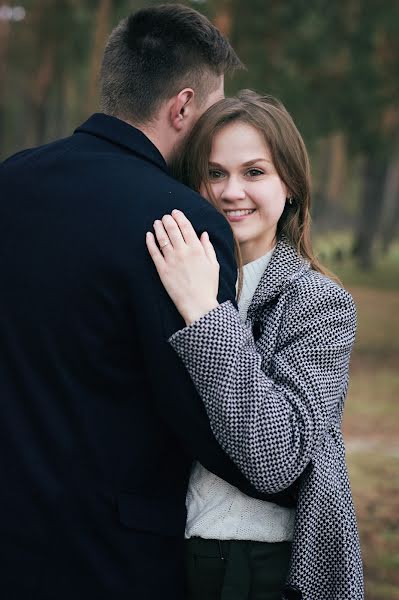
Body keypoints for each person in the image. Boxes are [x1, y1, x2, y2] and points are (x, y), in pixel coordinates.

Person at [0, 7, 287, 600]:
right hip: (113, 557)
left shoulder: (10, 182)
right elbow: (204, 414)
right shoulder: (182, 223)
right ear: (182, 107)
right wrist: (287, 474)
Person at [146, 90, 364, 600]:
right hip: (167, 548)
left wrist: (205, 314)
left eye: (254, 172)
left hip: (265, 558)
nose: (231, 191)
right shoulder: (165, 281)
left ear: (289, 184)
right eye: (215, 172)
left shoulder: (320, 303)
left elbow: (276, 458)